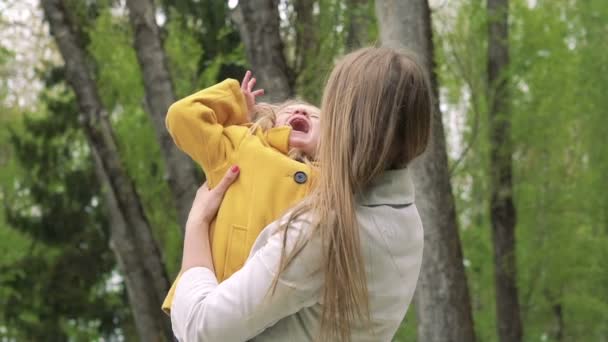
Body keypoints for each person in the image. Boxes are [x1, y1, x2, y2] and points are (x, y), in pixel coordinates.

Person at [171, 47, 432, 341]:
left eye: (327, 109)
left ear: (344, 123)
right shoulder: (408, 220)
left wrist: (196, 224)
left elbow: (199, 328)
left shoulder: (320, 232)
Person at [162, 71, 321, 312]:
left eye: (315, 115)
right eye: (290, 110)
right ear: (271, 121)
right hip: (215, 296)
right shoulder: (242, 143)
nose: (301, 112)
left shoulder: (333, 180)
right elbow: (181, 116)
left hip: (279, 314)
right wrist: (234, 105)